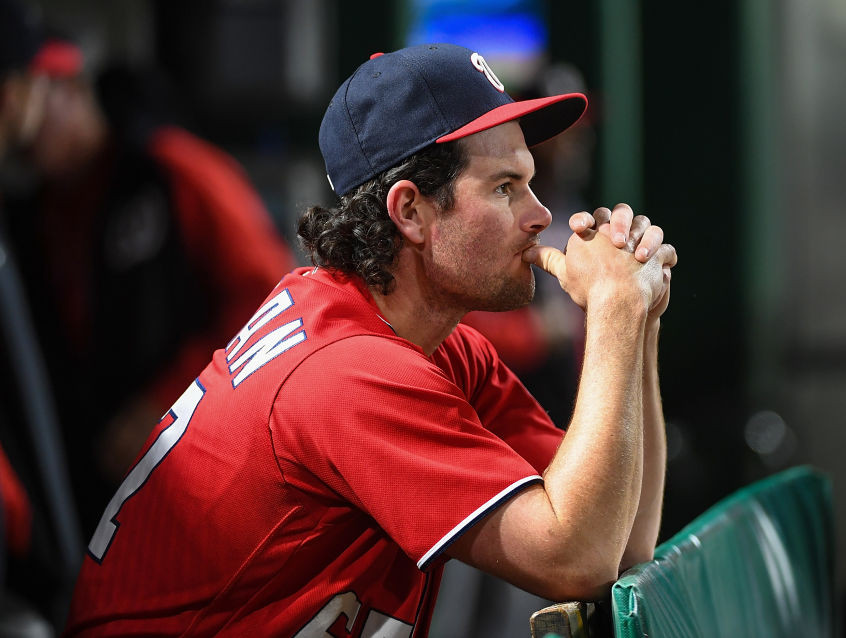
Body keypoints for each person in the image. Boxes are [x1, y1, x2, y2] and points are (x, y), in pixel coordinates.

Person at [64, 43, 675, 636]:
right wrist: (615, 311)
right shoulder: (352, 370)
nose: (540, 215)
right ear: (409, 211)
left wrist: (639, 319)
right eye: (504, 187)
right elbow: (574, 558)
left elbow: (619, 544)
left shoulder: (431, 342)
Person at [0, 0, 295, 538]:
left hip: (200, 459)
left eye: (26, 98)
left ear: (66, 89)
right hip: (96, 487)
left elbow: (269, 299)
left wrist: (169, 398)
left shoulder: (170, 169)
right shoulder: (35, 215)